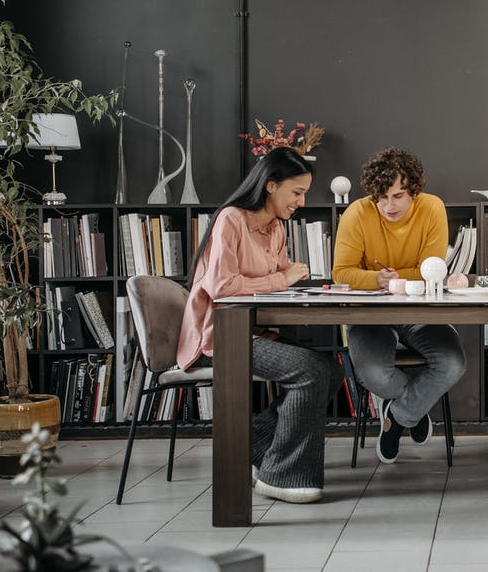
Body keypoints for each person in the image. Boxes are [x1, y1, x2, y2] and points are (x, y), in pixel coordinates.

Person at [176, 146, 343, 503]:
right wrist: (283, 279)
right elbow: (222, 286)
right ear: (270, 185)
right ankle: (281, 476)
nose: (301, 202)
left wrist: (287, 279)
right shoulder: (231, 220)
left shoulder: (277, 228)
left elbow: (273, 280)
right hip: (219, 338)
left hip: (253, 331)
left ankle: (252, 445)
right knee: (311, 370)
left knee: (330, 370)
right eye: (296, 192)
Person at [332, 147, 466, 464]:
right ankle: (414, 410)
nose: (388, 206)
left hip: (419, 312)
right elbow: (341, 272)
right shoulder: (357, 213)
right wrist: (377, 279)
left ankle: (398, 415)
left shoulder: (431, 207)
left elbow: (432, 269)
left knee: (452, 363)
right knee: (374, 374)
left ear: (414, 191)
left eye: (398, 196)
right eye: (381, 198)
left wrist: (386, 279)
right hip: (370, 315)